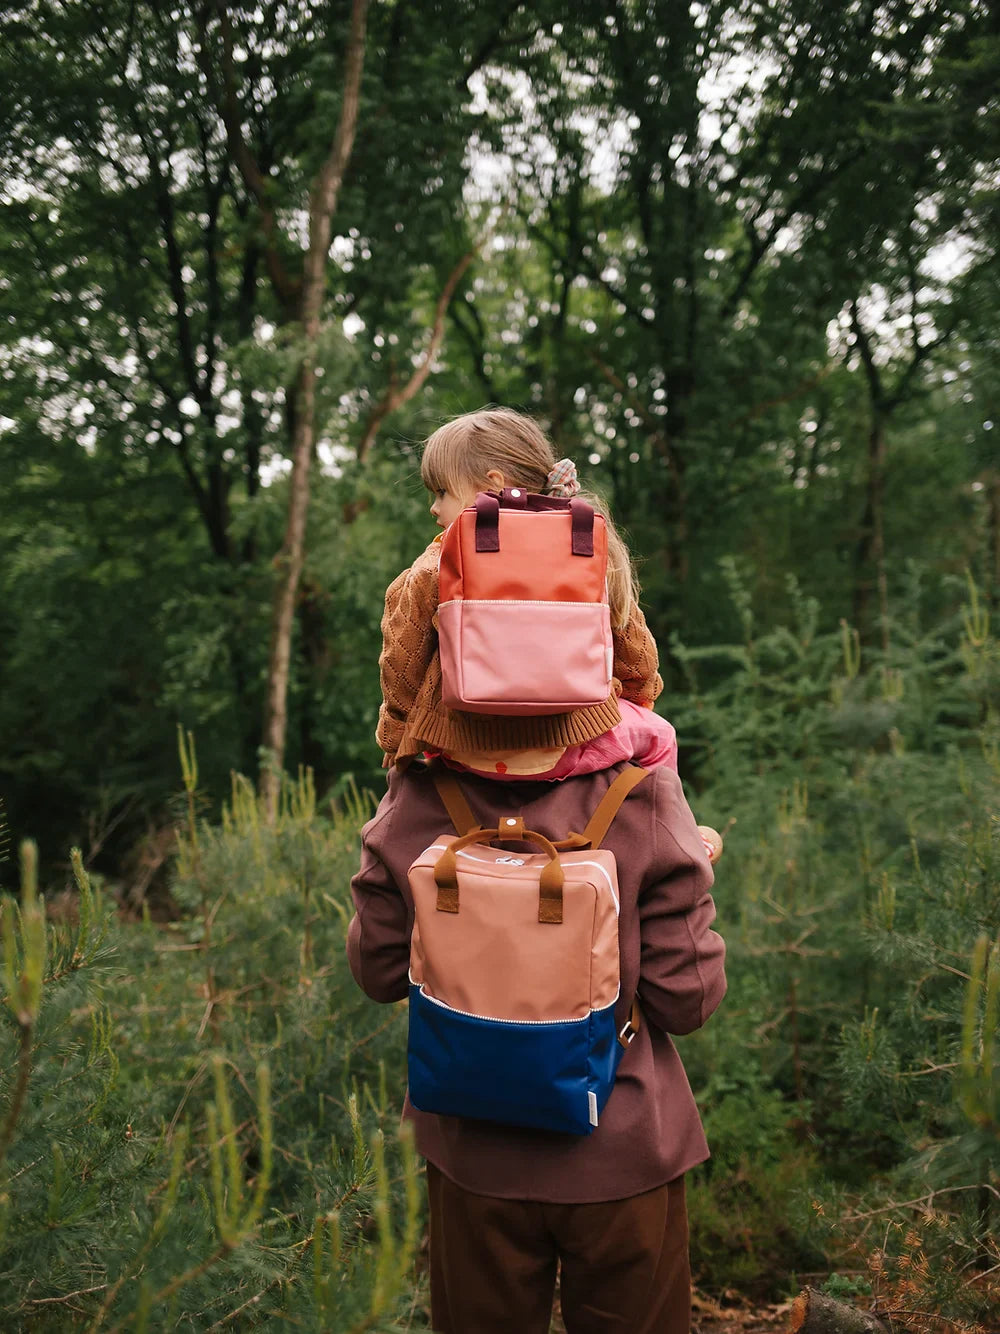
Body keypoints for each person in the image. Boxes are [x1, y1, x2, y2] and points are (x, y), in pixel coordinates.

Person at [346, 756, 727, 1333]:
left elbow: (377, 972)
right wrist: (694, 877)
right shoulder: (641, 793)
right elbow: (688, 999)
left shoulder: (419, 789)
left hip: (470, 1156)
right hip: (621, 1149)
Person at [376, 406, 676, 781]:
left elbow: (402, 663)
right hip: (570, 742)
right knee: (661, 736)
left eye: (441, 492)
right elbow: (635, 649)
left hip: (464, 748)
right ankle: (666, 830)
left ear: (492, 485)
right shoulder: (582, 546)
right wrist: (639, 697)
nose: (433, 507)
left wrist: (396, 735)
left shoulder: (436, 563)